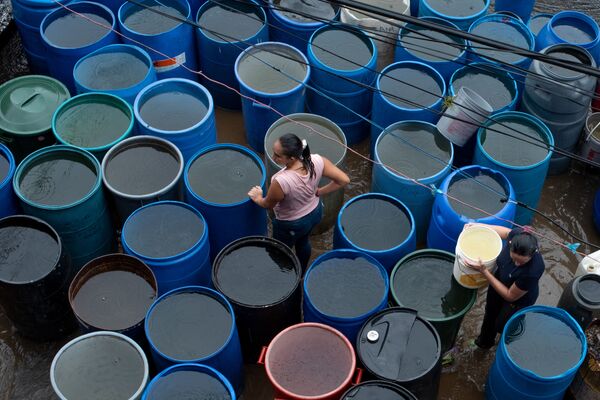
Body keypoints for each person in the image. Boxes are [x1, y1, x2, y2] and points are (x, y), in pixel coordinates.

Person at [248, 133, 350, 270]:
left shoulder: (281, 181)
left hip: (292, 224)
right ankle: (302, 272)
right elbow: (344, 180)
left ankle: (286, 275)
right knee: (303, 242)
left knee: (280, 251)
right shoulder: (317, 160)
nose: (273, 158)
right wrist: (320, 191)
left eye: (278, 155)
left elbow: (267, 205)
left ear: (292, 158)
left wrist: (258, 197)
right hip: (315, 213)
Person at [465, 223, 545, 349]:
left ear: (533, 253)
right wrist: (476, 226)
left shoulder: (533, 271)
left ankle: (504, 345)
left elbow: (510, 296)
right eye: (514, 259)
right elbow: (506, 232)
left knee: (502, 325)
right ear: (510, 243)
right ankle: (484, 343)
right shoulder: (517, 235)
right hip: (499, 281)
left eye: (522, 262)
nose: (517, 264)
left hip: (517, 299)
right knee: (490, 314)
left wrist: (484, 271)